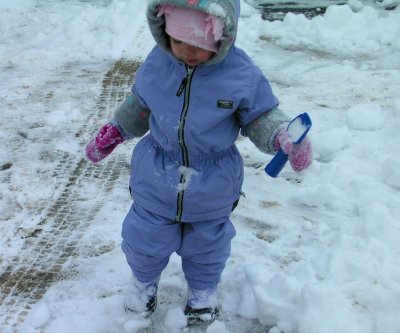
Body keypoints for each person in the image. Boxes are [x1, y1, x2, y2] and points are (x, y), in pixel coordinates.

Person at [85, 0, 312, 325]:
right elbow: (140, 106)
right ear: (164, 32)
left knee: (208, 246)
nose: (188, 52)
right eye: (179, 41)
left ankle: (203, 291)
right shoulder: (157, 64)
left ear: (223, 36)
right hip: (157, 178)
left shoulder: (240, 75)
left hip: (213, 184)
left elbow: (260, 117)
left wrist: (281, 136)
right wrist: (115, 131)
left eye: (200, 45)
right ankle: (143, 284)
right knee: (144, 239)